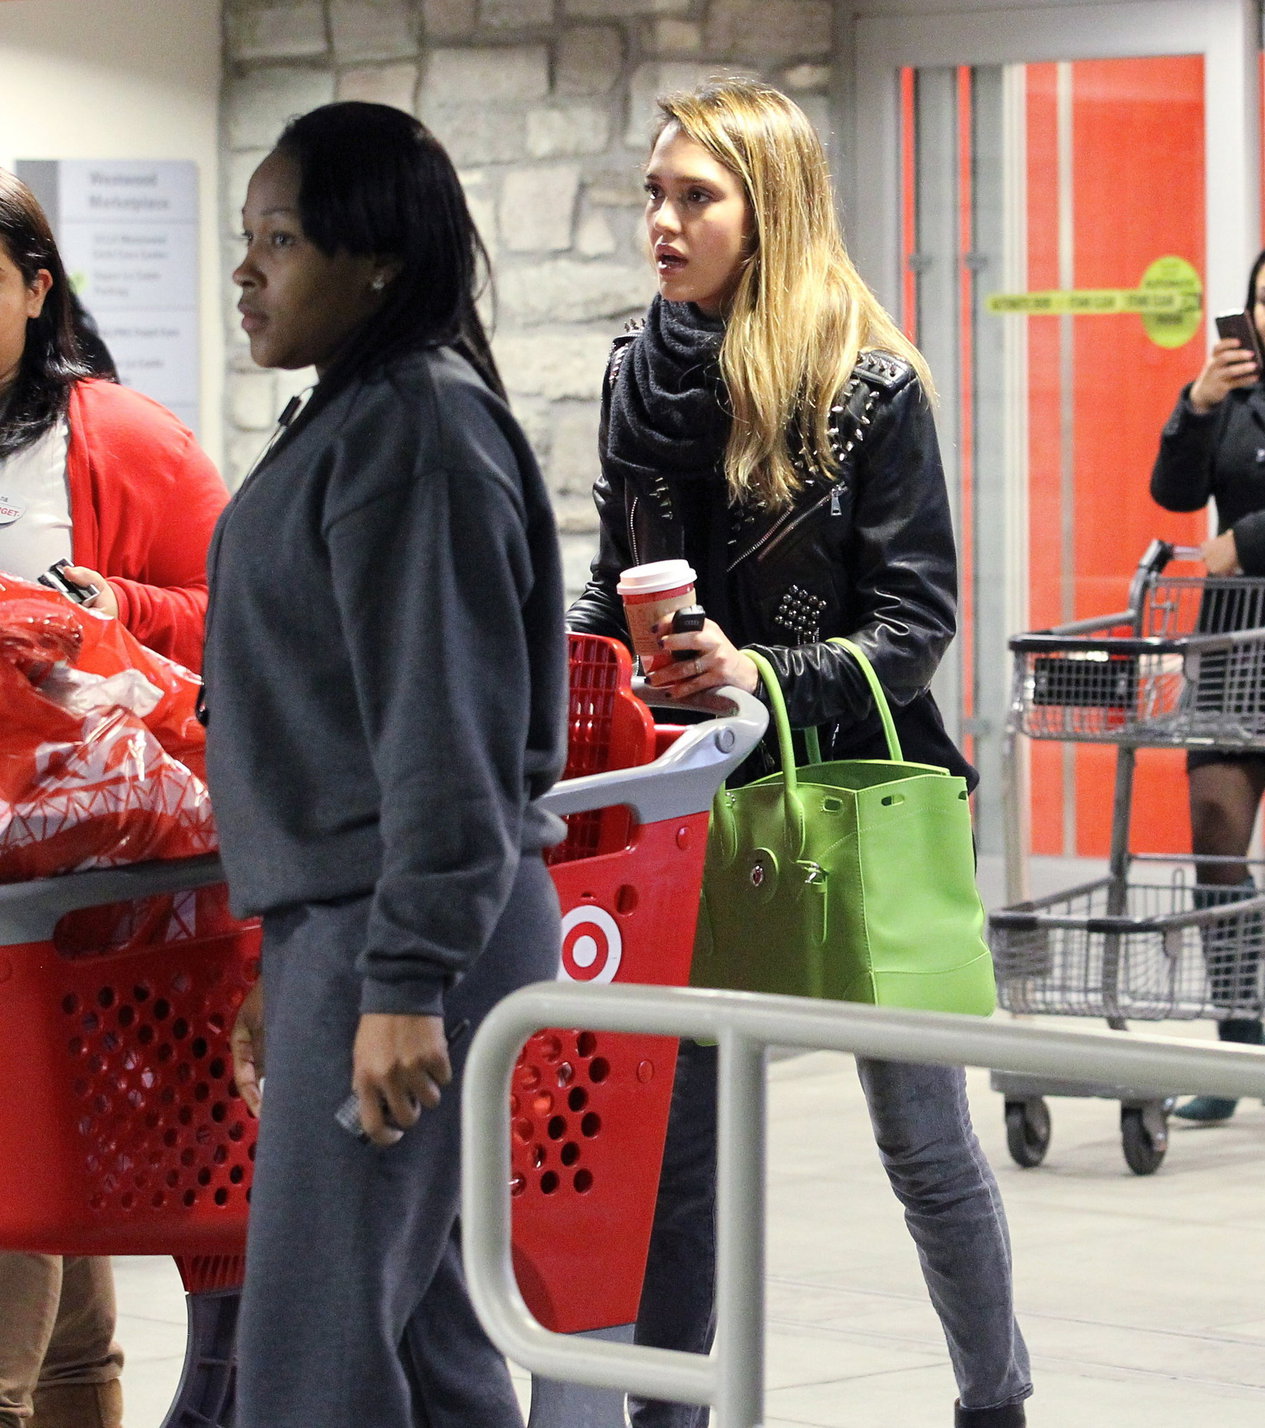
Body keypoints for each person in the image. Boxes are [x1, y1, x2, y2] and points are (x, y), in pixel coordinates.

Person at [567, 79, 1033, 1428]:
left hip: (846, 790)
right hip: (685, 800)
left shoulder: (869, 390)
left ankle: (993, 1399)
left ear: (767, 214)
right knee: (676, 1150)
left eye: (694, 198)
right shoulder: (632, 376)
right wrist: (575, 659)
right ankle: (669, 1414)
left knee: (923, 1141)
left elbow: (914, 626)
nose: (661, 222)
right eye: (654, 195)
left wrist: (756, 674)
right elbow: (616, 584)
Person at [205, 102, 567, 1428]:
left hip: (408, 929)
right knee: (419, 1349)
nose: (247, 270)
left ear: (378, 260)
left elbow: (442, 735)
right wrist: (284, 950)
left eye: (282, 238)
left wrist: (401, 978)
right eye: (247, 239)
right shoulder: (358, 415)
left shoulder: (414, 430)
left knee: (315, 1357)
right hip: (356, 924)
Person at [0, 169, 227, 1428]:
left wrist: (113, 608)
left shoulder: (120, 436)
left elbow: (241, 619)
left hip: (86, 897)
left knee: (18, 1178)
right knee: (64, 1277)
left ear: (39, 291)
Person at [1150, 250, 1265, 1123]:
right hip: (1231, 641)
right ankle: (1236, 1052)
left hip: (1244, 594)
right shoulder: (1231, 398)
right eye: (1260, 303)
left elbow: (1231, 531)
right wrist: (1195, 404)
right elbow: (1172, 492)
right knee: (1216, 836)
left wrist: (1247, 541)